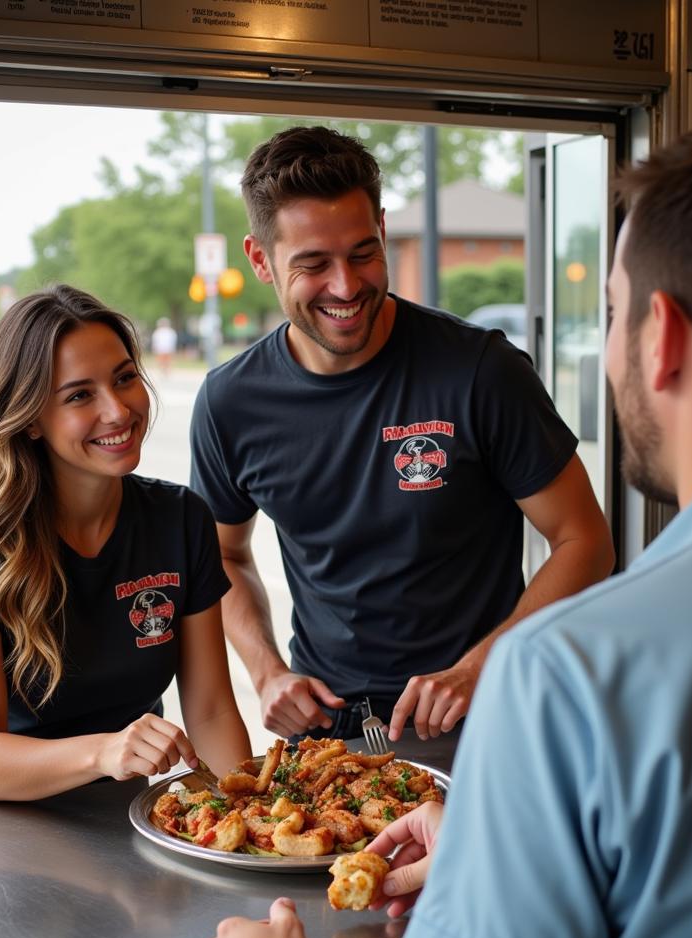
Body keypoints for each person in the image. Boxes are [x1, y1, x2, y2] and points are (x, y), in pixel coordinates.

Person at [198, 113, 692, 938]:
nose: (344, 284)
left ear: (662, 337)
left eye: (609, 311)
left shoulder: (568, 679)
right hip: (347, 742)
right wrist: (508, 849)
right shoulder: (232, 398)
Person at [189, 126, 614, 745]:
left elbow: (585, 541)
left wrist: (479, 667)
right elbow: (222, 555)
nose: (345, 285)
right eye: (312, 264)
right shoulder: (230, 401)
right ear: (260, 261)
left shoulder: (480, 370)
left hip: (484, 720)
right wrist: (267, 672)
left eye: (363, 253)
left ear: (383, 231)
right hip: (328, 735)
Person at [0, 285, 252, 803]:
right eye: (79, 395)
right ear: (28, 418)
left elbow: (210, 711)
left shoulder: (181, 518)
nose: (117, 411)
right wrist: (104, 752)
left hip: (125, 816)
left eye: (124, 378)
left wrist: (252, 818)